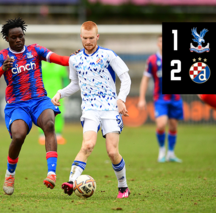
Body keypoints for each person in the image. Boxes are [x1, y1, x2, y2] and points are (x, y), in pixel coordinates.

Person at [0, 18, 70, 195]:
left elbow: (61, 60)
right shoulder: (3, 56)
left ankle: (51, 173)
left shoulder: (35, 50)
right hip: (17, 105)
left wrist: (77, 59)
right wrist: (3, 69)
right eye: (14, 37)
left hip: (39, 100)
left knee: (49, 124)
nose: (18, 40)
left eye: (21, 36)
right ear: (8, 39)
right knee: (18, 136)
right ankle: (10, 173)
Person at [52, 21, 132, 199]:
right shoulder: (75, 59)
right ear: (81, 37)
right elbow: (74, 84)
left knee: (112, 152)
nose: (88, 41)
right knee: (87, 145)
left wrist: (121, 99)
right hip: (90, 108)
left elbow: (125, 78)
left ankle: (123, 187)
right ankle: (72, 182)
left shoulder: (108, 55)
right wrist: (60, 93)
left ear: (97, 37)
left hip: (110, 108)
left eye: (91, 38)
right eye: (85, 38)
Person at [138, 34, 183, 163]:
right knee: (161, 123)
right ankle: (162, 150)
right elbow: (145, 79)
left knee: (173, 125)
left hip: (175, 98)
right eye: (161, 41)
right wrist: (142, 98)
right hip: (160, 98)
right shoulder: (152, 60)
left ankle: (171, 153)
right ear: (158, 44)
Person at [38, 61, 69, 145]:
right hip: (43, 94)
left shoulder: (60, 66)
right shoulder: (41, 65)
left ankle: (58, 135)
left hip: (57, 94)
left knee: (58, 114)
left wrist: (66, 92)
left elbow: (65, 79)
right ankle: (42, 136)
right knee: (42, 115)